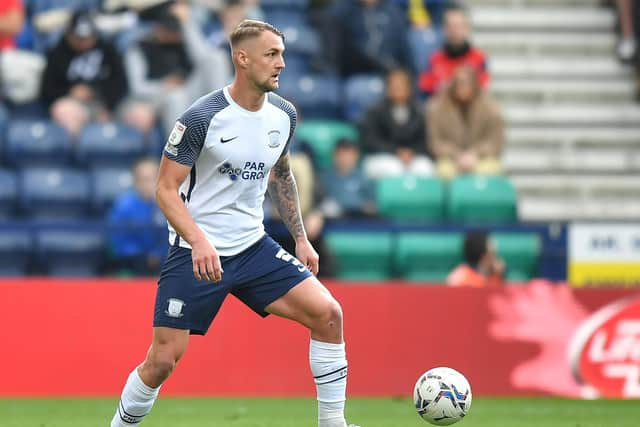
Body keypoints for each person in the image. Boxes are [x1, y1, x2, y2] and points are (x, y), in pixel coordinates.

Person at [110, 19, 361, 427]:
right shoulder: (201, 117)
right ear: (242, 59)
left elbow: (281, 175)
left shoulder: (284, 115)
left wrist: (300, 238)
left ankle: (333, 423)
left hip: (253, 247)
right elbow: (164, 190)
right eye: (271, 54)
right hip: (196, 253)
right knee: (161, 361)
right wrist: (199, 240)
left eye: (282, 54)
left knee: (329, 314)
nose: (281, 63)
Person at [41, 10, 128, 135]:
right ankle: (76, 153)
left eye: (87, 37)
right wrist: (69, 92)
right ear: (69, 33)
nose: (82, 41)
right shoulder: (57, 53)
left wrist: (104, 102)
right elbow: (46, 90)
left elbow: (121, 84)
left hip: (106, 104)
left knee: (139, 114)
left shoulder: (108, 50)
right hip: (73, 105)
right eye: (78, 37)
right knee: (64, 110)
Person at [427, 66, 504, 180]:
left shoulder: (491, 109)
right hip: (449, 159)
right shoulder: (437, 108)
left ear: (475, 85)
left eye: (467, 83)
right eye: (459, 83)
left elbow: (495, 141)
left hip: (482, 158)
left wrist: (475, 153)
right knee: (444, 171)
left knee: (489, 171)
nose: (462, 87)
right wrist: (456, 154)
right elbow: (435, 142)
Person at [359, 67, 433, 178]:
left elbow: (426, 139)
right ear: (387, 88)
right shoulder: (374, 111)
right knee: (394, 169)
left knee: (425, 169)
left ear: (409, 88)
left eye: (401, 84)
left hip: (413, 156)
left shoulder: (420, 111)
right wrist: (395, 151)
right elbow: (370, 140)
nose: (397, 88)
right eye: (393, 84)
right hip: (382, 157)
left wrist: (412, 152)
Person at [107, 157, 166, 276]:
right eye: (144, 179)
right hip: (131, 262)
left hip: (163, 261)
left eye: (153, 178)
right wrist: (143, 256)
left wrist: (157, 254)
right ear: (135, 181)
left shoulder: (167, 205)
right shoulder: (123, 205)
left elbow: (170, 237)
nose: (148, 184)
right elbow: (117, 238)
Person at [418, 5, 489, 96]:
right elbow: (425, 87)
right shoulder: (434, 59)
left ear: (467, 28)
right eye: (450, 26)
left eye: (459, 26)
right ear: (444, 29)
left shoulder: (479, 58)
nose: (454, 30)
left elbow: (483, 87)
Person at [322, 138, 376, 219]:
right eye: (341, 154)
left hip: (359, 221)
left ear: (356, 155)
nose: (344, 158)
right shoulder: (325, 177)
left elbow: (372, 206)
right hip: (332, 221)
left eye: (348, 154)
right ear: (334, 155)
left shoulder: (364, 178)